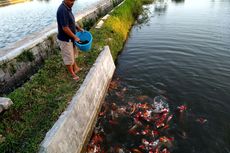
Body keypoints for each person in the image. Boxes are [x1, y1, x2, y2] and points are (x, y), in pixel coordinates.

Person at [56, 0, 84, 81]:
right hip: (65, 39)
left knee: (73, 53)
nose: (73, 2)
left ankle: (76, 68)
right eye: (71, 0)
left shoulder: (68, 7)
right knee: (69, 57)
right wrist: (75, 37)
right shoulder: (62, 10)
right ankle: (72, 73)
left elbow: (71, 22)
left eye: (74, 0)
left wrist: (78, 28)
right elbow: (65, 28)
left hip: (70, 37)